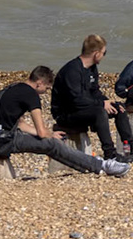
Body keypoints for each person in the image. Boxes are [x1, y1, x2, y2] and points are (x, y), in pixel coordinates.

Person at [0, 65, 126, 177]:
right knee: (53, 144)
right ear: (39, 83)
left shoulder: (14, 88)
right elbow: (42, 133)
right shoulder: (31, 95)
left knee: (51, 142)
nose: (46, 92)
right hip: (4, 141)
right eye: (47, 88)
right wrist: (50, 135)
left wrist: (46, 133)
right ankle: (102, 165)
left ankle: (89, 165)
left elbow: (20, 123)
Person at [51, 34, 126, 163]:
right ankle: (110, 153)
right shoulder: (72, 70)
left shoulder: (92, 68)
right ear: (96, 54)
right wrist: (101, 104)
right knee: (99, 112)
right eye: (104, 52)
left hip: (83, 107)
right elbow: (76, 100)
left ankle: (130, 146)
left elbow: (94, 91)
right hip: (66, 113)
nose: (104, 56)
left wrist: (107, 101)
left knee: (118, 107)